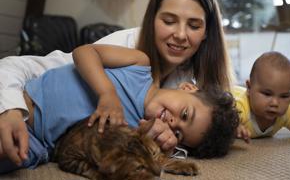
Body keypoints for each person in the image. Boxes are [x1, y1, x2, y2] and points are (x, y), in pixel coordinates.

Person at [0, 0, 234, 166]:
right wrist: (11, 108)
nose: (181, 34)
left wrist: (159, 145)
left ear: (206, 34)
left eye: (193, 25)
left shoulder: (176, 94)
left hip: (43, 145)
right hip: (24, 95)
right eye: (169, 20)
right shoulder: (136, 61)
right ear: (152, 20)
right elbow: (82, 54)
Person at [0, 46, 239, 173]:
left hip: (38, 145)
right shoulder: (140, 66)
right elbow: (84, 52)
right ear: (188, 87)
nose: (173, 122)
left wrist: (147, 139)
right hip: (22, 100)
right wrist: (107, 93)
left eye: (178, 134)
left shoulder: (136, 133)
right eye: (185, 114)